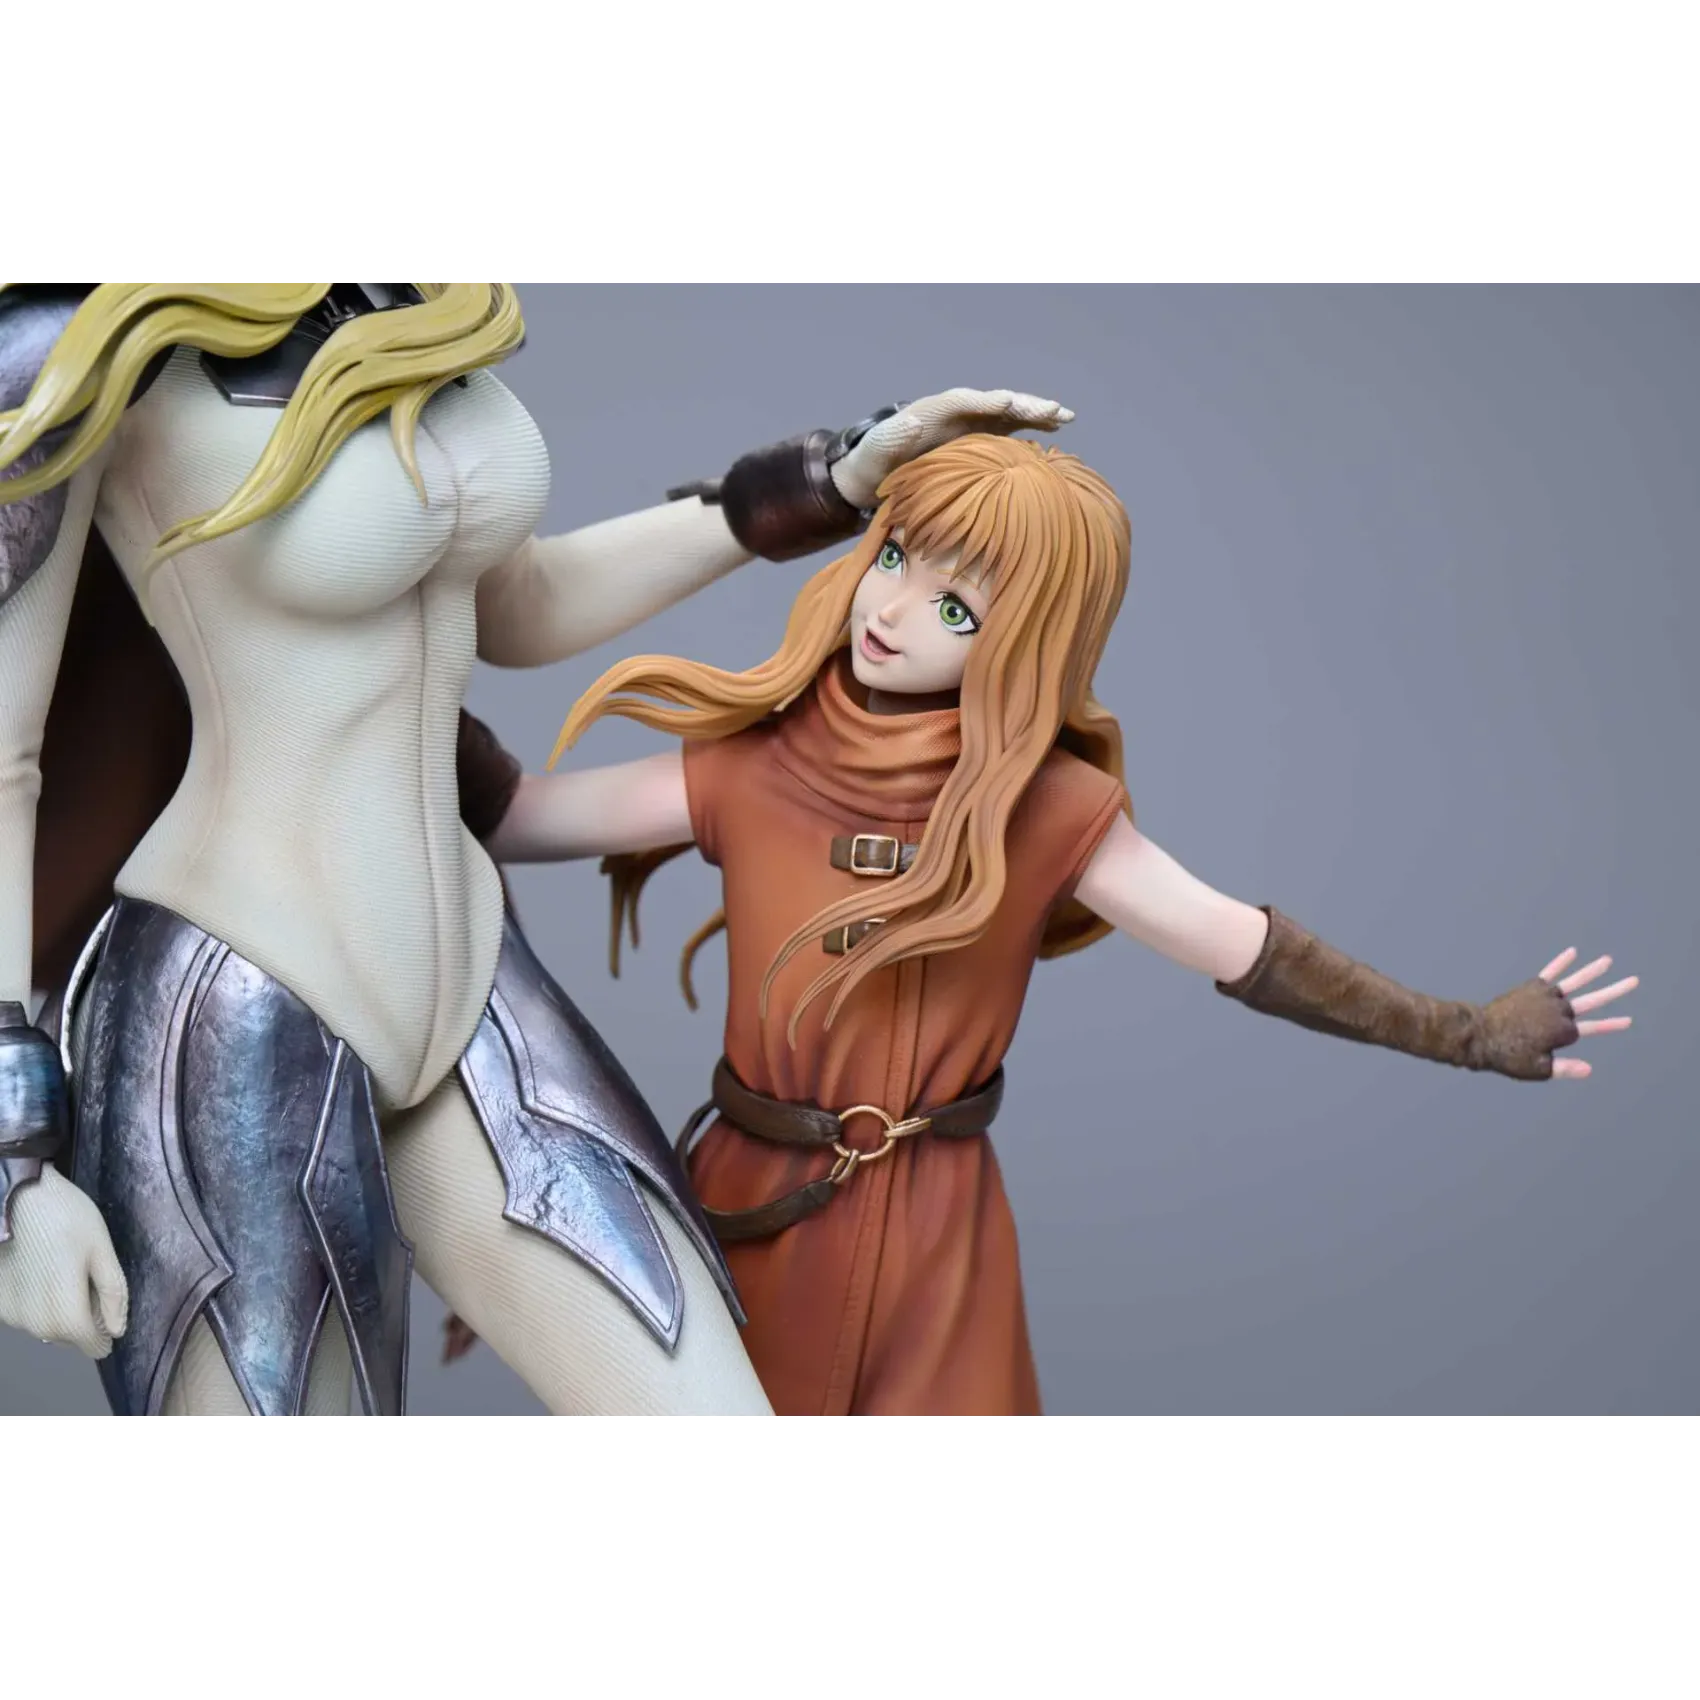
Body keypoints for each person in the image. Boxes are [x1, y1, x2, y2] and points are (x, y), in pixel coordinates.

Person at [0, 278, 1069, 1414]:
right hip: (239, 1005)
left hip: (469, 986)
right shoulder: (84, 343)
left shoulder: (400, 295)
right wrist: (13, 1168)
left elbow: (522, 600)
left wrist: (828, 480)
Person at [454, 432, 1638, 1415]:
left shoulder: (1050, 809)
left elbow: (1241, 945)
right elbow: (513, 816)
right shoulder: (750, 767)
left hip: (934, 1233)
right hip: (741, 1202)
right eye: (894, 555)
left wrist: (1465, 1031)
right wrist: (377, 682)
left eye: (954, 605)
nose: (893, 610)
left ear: (1024, 637)